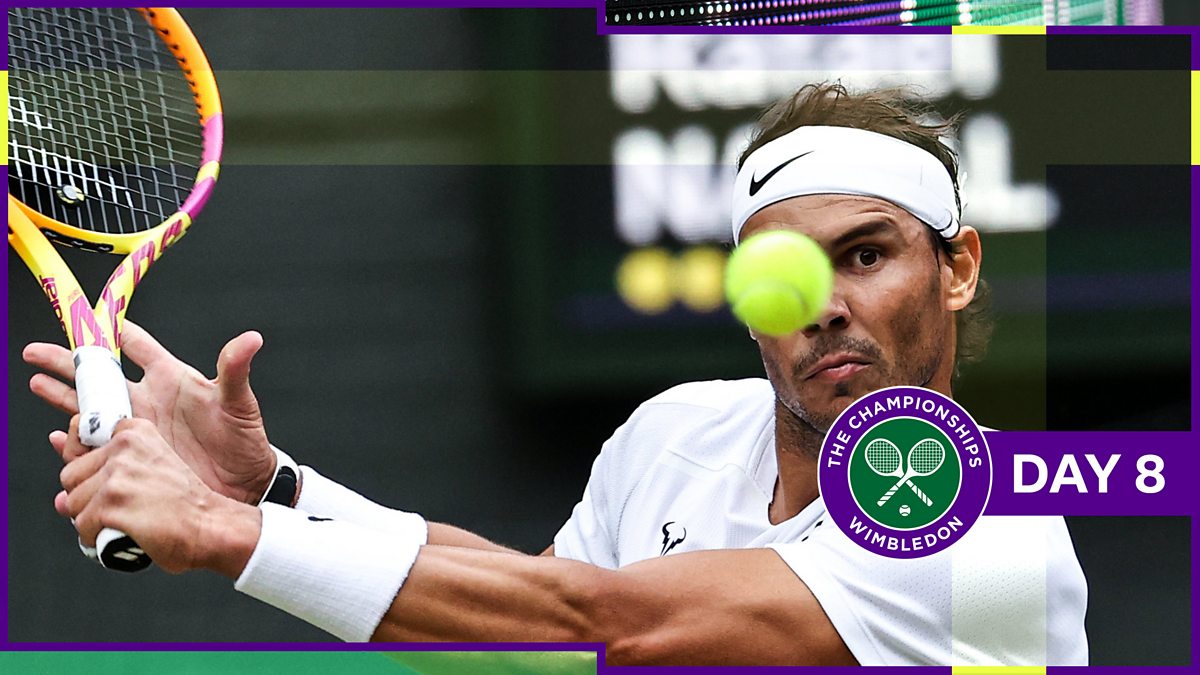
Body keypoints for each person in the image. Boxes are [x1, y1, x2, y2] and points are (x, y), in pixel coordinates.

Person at [23, 83, 1087, 665]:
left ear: (956, 269)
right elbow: (527, 631)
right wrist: (274, 494)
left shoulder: (993, 533)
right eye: (787, 273)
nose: (826, 304)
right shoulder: (677, 433)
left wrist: (221, 534)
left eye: (866, 255)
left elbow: (600, 622)